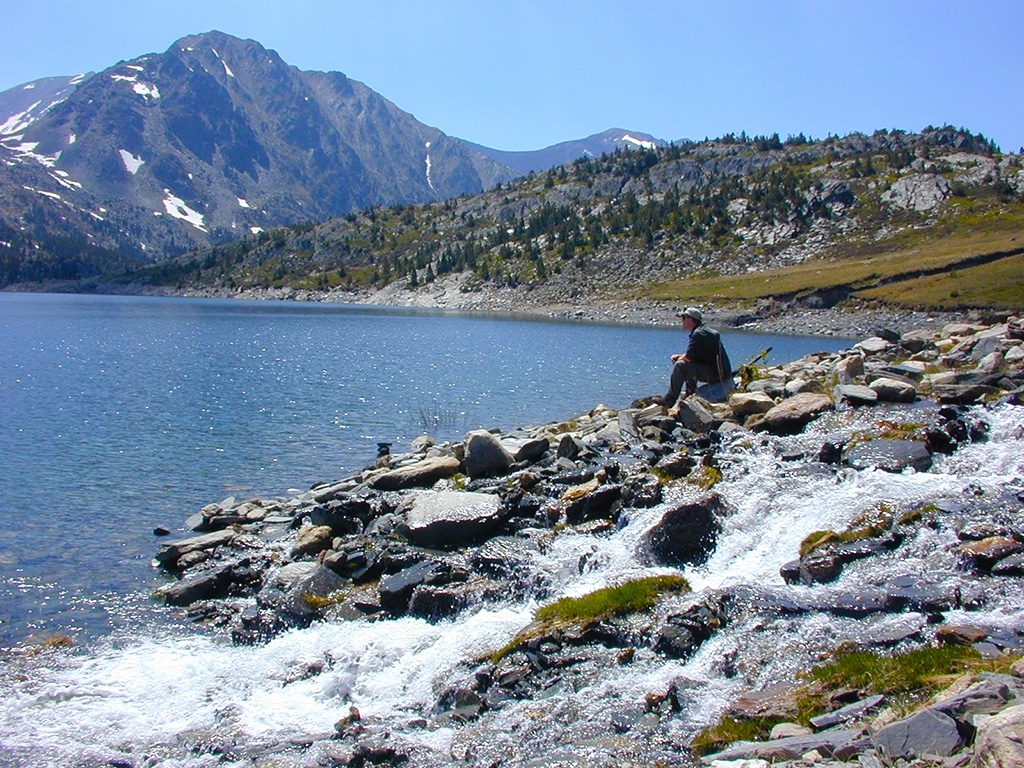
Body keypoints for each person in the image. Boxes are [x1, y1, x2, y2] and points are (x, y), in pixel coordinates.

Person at [654, 307, 733, 411]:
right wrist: (681, 356)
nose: (681, 321)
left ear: (690, 320)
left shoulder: (698, 334)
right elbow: (695, 356)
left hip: (715, 375)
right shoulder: (704, 331)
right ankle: (690, 393)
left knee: (680, 365)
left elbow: (688, 358)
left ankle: (670, 399)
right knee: (686, 364)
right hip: (722, 373)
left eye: (683, 318)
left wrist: (677, 358)